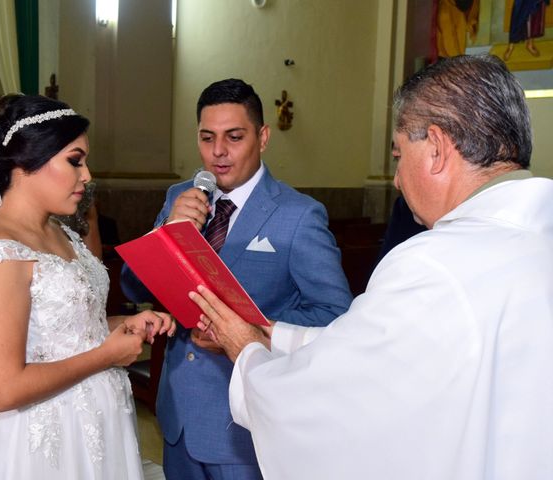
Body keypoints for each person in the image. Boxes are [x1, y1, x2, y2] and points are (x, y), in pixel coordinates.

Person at [189, 55, 553, 479]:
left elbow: (336, 403)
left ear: (435, 148)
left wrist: (244, 347)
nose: (396, 179)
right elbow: (368, 349)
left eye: (399, 155)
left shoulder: (431, 264)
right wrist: (271, 334)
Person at [0, 94, 175, 479]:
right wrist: (107, 355)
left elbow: (67, 328)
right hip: (39, 440)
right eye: (75, 160)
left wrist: (121, 325)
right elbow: (5, 389)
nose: (86, 176)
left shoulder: (61, 233)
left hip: (98, 425)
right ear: (26, 161)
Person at [121, 78, 353, 479]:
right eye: (207, 138)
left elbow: (336, 318)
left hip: (247, 421)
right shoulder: (180, 197)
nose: (218, 153)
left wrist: (247, 332)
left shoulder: (299, 215)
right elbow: (134, 287)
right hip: (178, 414)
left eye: (234, 137)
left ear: (262, 137)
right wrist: (168, 234)